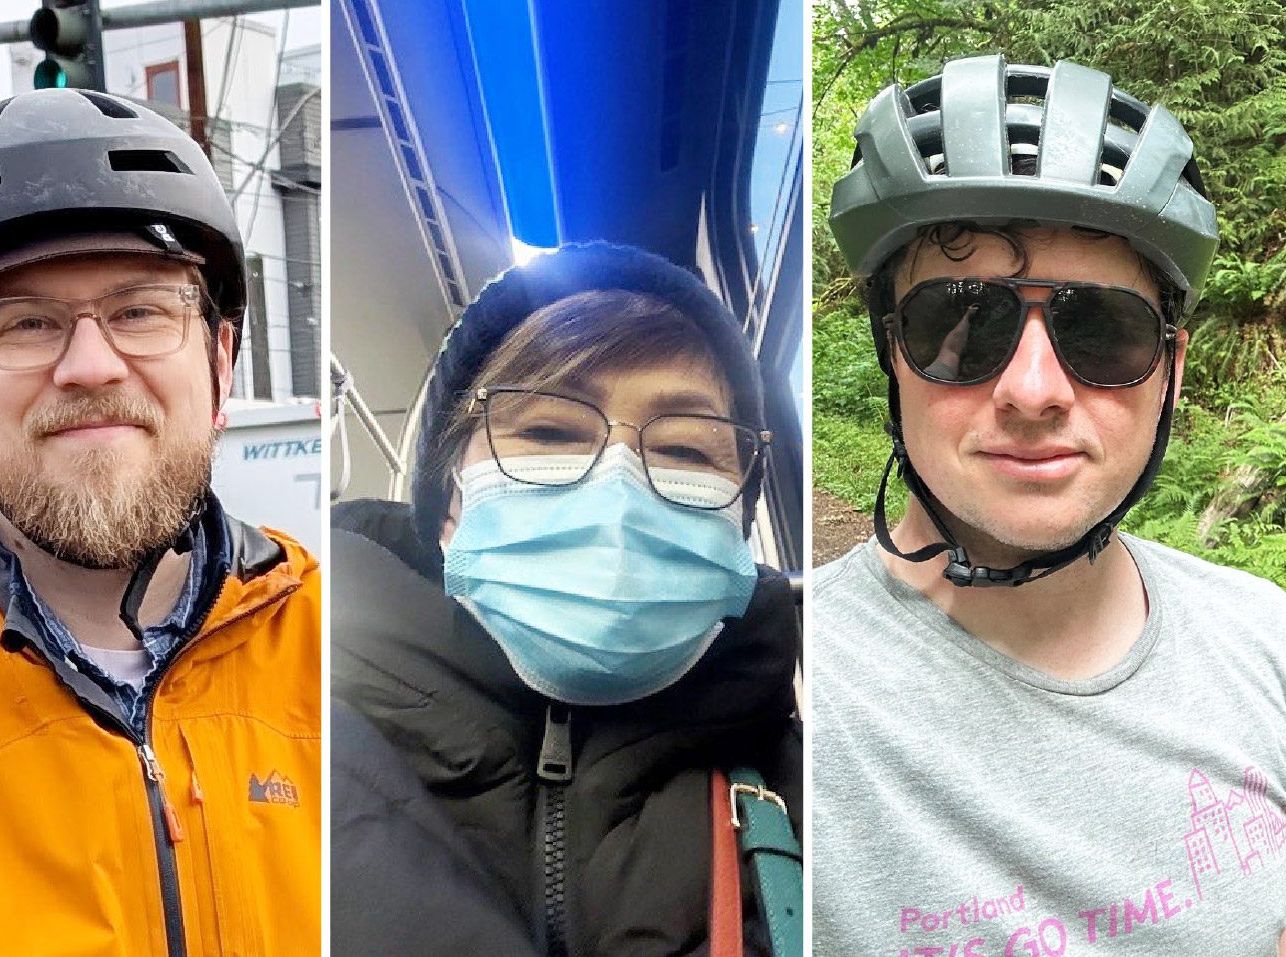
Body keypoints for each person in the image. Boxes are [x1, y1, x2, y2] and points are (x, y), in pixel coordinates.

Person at [817, 56, 1286, 954]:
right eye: (963, 324)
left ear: (1171, 374)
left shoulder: (1267, 646)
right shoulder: (796, 687)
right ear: (892, 358)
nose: (1033, 391)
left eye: (1101, 329)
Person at [0, 88, 322, 956]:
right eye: (25, 323)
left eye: (142, 310)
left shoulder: (343, 662)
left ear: (219, 360)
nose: (91, 364)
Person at [330, 242, 802, 956]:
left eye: (685, 451)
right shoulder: (290, 751)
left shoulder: (826, 790)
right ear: (449, 503)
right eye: (549, 431)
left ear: (739, 522)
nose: (618, 490)